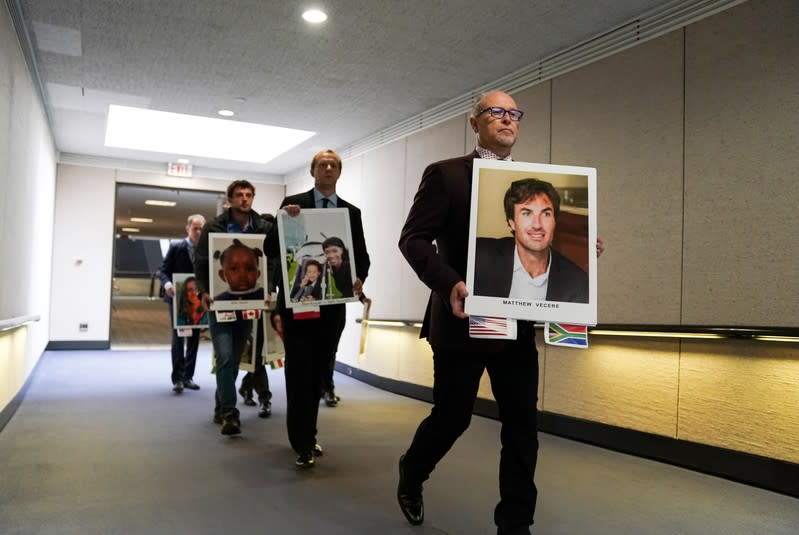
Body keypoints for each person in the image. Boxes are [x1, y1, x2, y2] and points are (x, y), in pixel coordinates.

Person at [397, 91, 603, 535]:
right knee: (453, 418)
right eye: (496, 112)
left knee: (522, 428)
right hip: (460, 323)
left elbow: (546, 249)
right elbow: (413, 240)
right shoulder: (446, 174)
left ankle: (515, 524)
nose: (507, 119)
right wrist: (449, 281)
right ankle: (412, 471)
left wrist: (585, 249)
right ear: (475, 123)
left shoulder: (535, 179)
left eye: (514, 113)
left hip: (515, 328)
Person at [265, 148, 370, 467]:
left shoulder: (351, 213)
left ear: (339, 173)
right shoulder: (292, 205)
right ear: (312, 171)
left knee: (321, 373)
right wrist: (285, 222)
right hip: (299, 307)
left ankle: (308, 434)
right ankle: (302, 442)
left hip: (333, 309)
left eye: (334, 165)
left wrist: (358, 279)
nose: (328, 168)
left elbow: (362, 257)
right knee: (299, 372)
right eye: (322, 164)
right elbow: (271, 249)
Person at [194, 179, 273, 436]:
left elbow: (273, 260)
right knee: (226, 357)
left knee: (235, 360)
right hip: (219, 303)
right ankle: (230, 414)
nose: (244, 199)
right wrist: (204, 290)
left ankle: (220, 406)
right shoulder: (214, 227)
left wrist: (271, 288)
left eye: (249, 194)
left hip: (250, 306)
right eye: (239, 194)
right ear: (229, 199)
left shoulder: (263, 227)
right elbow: (201, 262)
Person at [474, 178, 588, 303]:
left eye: (546, 214)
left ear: (555, 221)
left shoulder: (577, 280)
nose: (537, 225)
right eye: (527, 213)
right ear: (512, 223)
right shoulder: (478, 255)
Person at [159, 214, 206, 393]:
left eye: (201, 228)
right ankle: (177, 378)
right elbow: (163, 271)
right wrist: (168, 284)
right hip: (177, 297)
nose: (199, 231)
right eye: (195, 228)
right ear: (188, 228)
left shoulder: (205, 250)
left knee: (194, 338)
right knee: (178, 337)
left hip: (197, 299)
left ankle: (188, 376)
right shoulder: (176, 247)